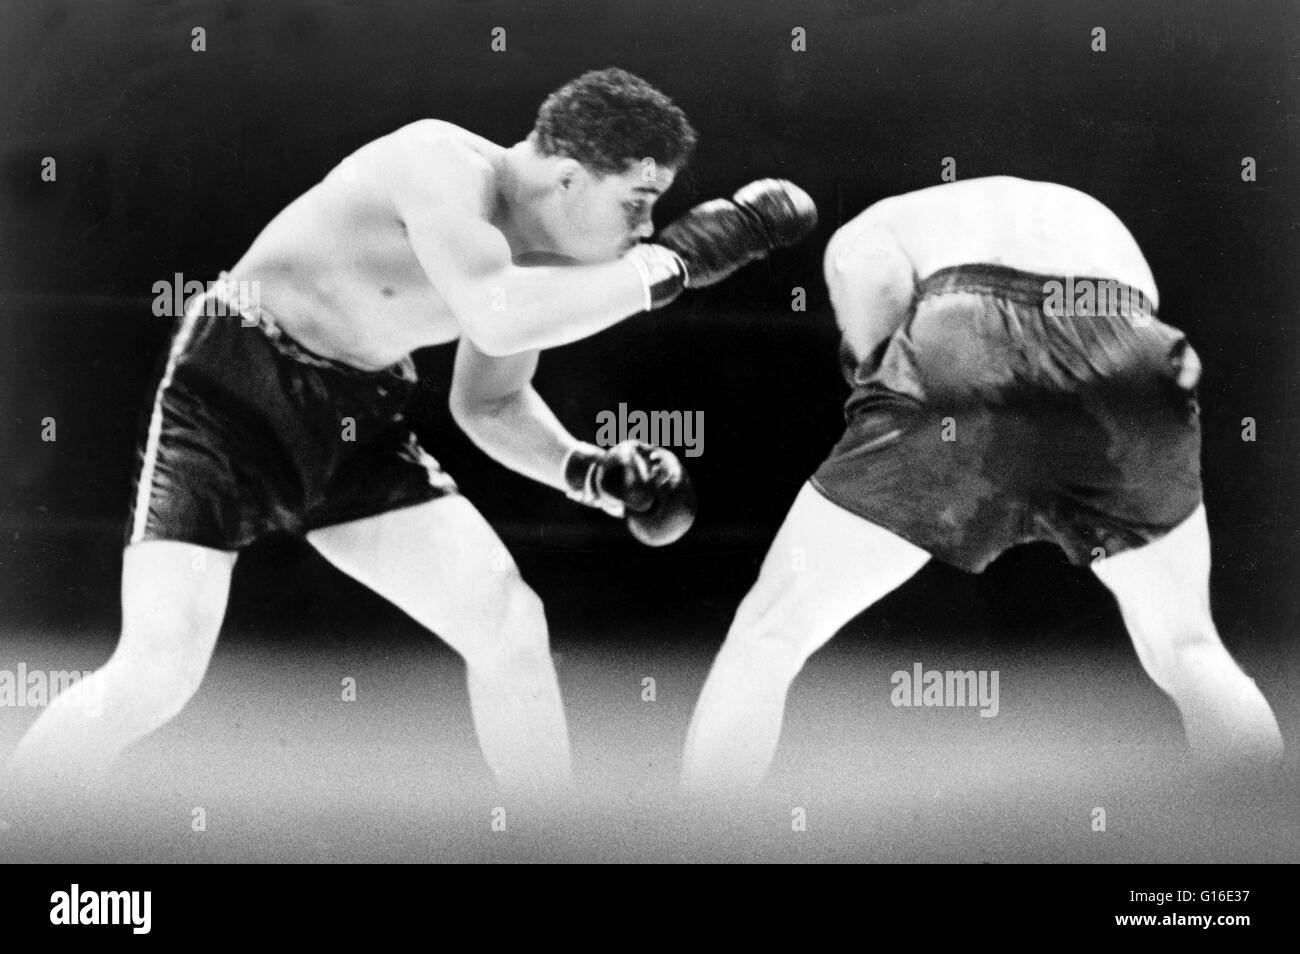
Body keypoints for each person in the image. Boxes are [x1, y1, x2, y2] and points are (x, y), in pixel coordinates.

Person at [7, 67, 816, 793]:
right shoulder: (438, 163)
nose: (645, 228)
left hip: (358, 421)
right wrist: (670, 267)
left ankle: (550, 851)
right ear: (568, 176)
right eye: (637, 203)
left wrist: (588, 471)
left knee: (508, 625)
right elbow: (498, 319)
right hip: (233, 400)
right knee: (155, 673)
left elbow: (490, 403)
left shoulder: (548, 269)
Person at [680, 176, 1284, 791]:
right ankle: (1266, 851)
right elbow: (1100, 325)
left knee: (768, 634)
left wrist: (879, 381)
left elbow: (877, 288)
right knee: (1189, 647)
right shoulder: (1077, 211)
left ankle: (698, 853)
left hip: (968, 334)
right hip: (1131, 352)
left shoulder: (867, 226)